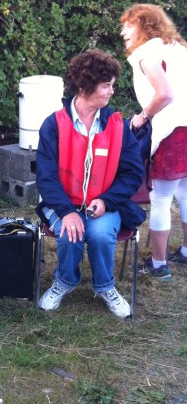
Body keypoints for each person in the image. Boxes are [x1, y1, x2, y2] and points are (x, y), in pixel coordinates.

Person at [36, 49, 146, 317]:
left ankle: (105, 285)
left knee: (99, 234)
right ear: (85, 87)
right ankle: (64, 281)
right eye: (106, 85)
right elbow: (46, 177)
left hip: (105, 205)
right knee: (70, 232)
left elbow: (133, 173)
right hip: (62, 203)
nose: (111, 92)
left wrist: (107, 201)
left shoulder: (118, 127)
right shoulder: (53, 124)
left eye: (112, 85)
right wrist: (67, 211)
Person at [120, 3, 187, 280]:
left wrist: (143, 116)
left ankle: (159, 265)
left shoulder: (146, 53)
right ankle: (185, 252)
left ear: (145, 26)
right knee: (185, 193)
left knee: (160, 198)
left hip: (173, 131)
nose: (123, 31)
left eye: (129, 25)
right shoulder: (177, 48)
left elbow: (165, 94)